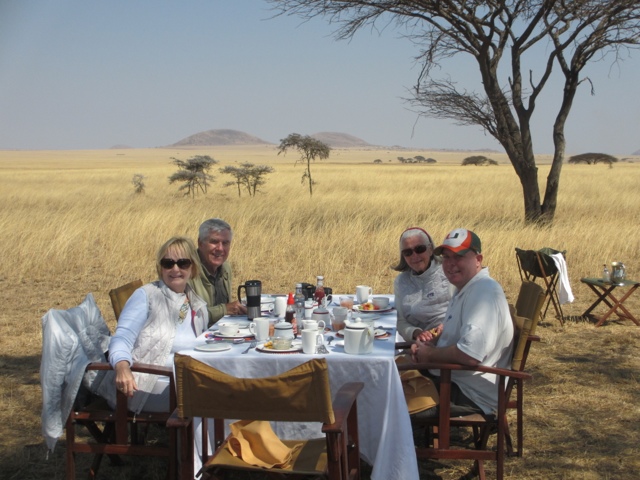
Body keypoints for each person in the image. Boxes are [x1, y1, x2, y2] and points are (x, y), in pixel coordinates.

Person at [97, 236, 208, 413]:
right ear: (160, 267)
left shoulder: (195, 302)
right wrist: (122, 366)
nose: (175, 269)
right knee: (213, 399)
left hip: (182, 380)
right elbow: (121, 339)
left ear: (193, 267)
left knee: (228, 388)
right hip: (144, 386)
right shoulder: (147, 296)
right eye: (168, 263)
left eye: (183, 263)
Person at [410, 228, 514, 416]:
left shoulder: (484, 292)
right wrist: (430, 343)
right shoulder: (465, 287)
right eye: (446, 257)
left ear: (478, 260)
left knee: (387, 394)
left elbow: (470, 354)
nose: (451, 264)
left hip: (470, 392)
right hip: (451, 378)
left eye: (459, 256)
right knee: (390, 377)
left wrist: (430, 354)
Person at [393, 227, 452, 342]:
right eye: (408, 252)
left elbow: (462, 311)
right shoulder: (401, 281)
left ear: (430, 249)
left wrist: (446, 326)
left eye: (420, 249)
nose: (414, 256)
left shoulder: (449, 273)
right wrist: (416, 333)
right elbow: (400, 321)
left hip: (448, 340)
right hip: (418, 344)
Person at [190, 218, 246, 325]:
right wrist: (224, 310)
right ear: (200, 243)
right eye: (214, 242)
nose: (220, 248)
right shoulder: (187, 270)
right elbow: (187, 318)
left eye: (225, 243)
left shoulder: (225, 268)